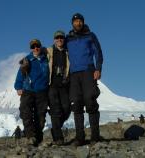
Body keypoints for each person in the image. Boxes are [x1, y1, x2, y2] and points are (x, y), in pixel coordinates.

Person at [66, 13, 103, 146]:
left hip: (88, 71)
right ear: (72, 23)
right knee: (76, 104)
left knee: (90, 100)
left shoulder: (90, 35)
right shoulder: (68, 38)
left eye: (80, 21)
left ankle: (95, 136)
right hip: (74, 74)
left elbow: (98, 52)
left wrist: (98, 69)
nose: (78, 23)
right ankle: (80, 138)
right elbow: (58, 51)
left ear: (83, 22)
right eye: (76, 21)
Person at [14, 39, 49, 146]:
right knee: (25, 111)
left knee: (41, 115)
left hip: (42, 91)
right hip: (28, 90)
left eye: (37, 46)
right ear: (31, 48)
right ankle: (30, 135)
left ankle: (38, 137)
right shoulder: (26, 60)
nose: (35, 48)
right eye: (33, 47)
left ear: (40, 46)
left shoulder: (46, 59)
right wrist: (18, 87)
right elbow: (20, 75)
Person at [46, 30, 70, 145]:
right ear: (54, 40)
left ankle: (55, 129)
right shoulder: (48, 51)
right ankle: (58, 138)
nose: (59, 39)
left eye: (61, 37)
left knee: (66, 108)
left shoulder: (67, 52)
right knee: (55, 110)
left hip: (64, 85)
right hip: (52, 85)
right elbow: (35, 54)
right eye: (57, 38)